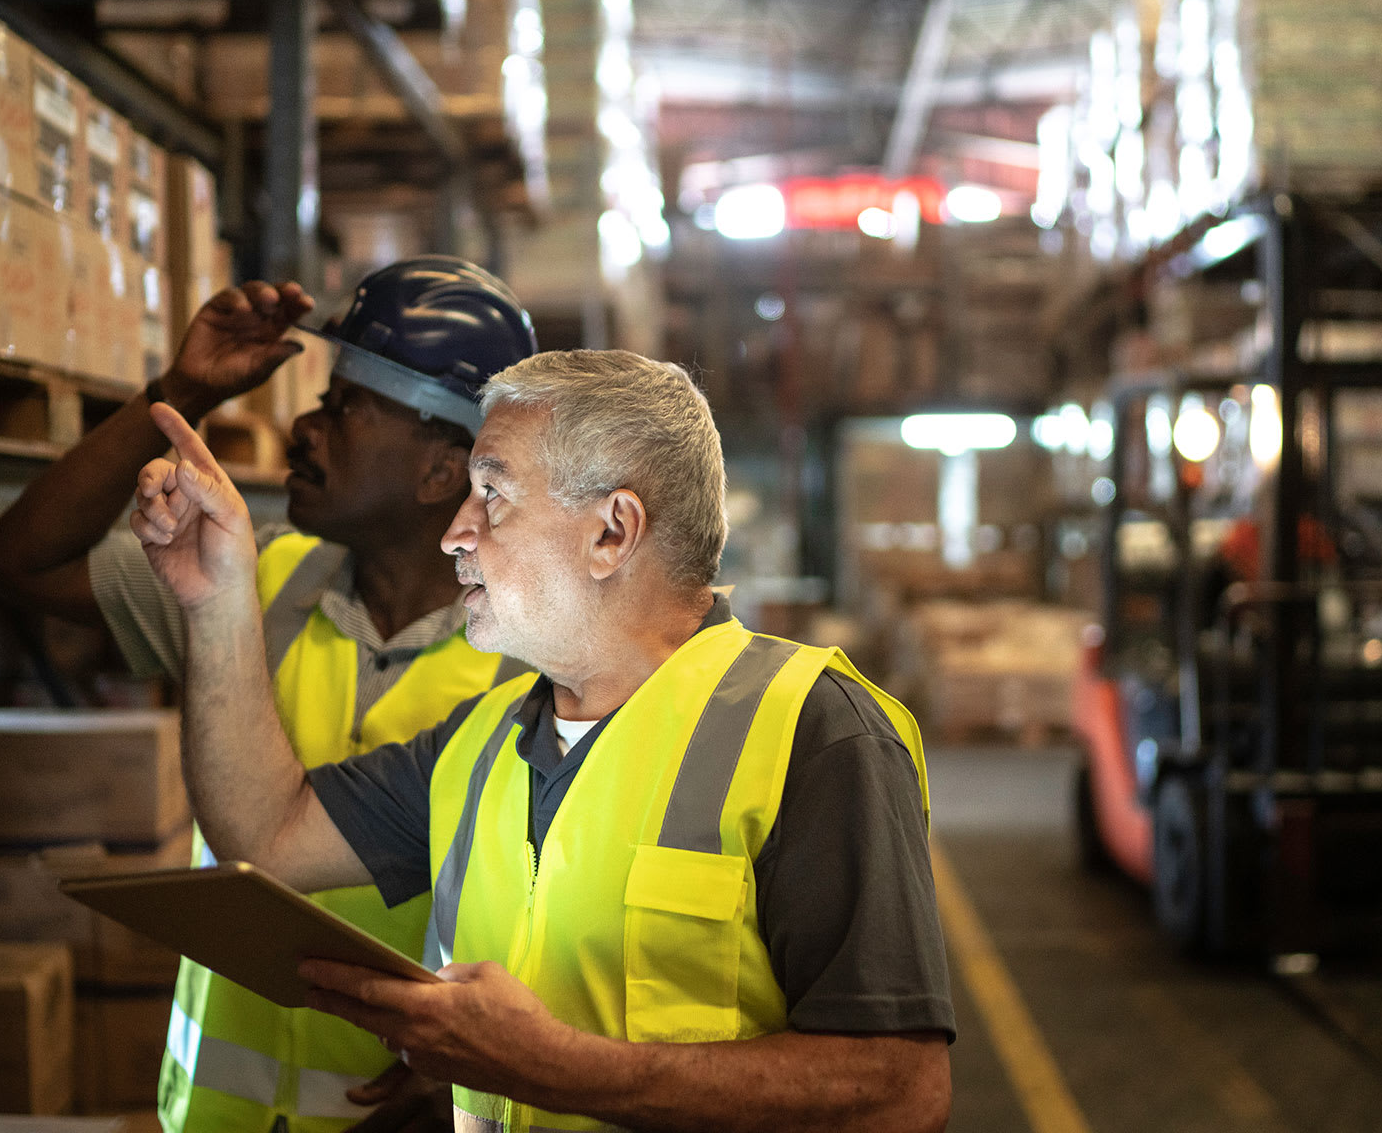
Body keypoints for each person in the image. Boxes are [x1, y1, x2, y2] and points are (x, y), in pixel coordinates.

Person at [128, 349, 956, 1132]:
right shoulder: (481, 744)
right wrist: (216, 603)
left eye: (492, 493)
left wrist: (553, 1067)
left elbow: (901, 1095)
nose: (455, 532)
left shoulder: (814, 735)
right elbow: (266, 834)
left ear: (612, 532)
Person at [0, 256, 538, 1133]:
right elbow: (21, 561)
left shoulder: (534, 670)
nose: (302, 428)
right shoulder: (249, 579)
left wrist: (498, 1068)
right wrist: (178, 395)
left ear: (443, 471)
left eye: (344, 407)